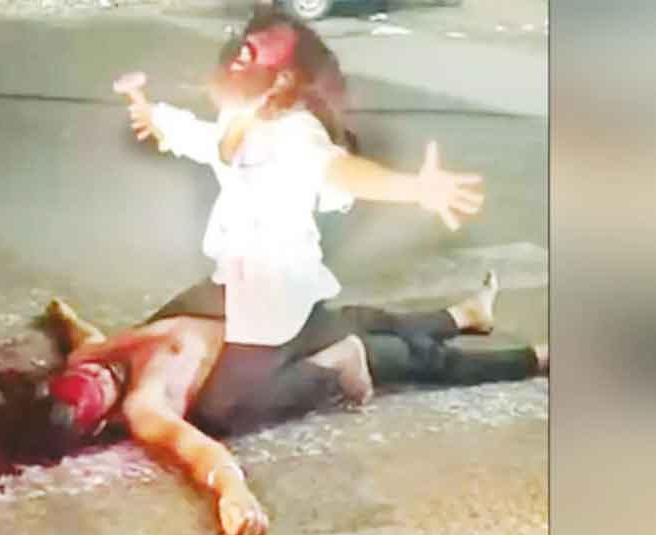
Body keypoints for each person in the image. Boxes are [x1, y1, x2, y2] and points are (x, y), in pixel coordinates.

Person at [44, 272, 547, 535]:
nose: (104, 371)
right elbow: (200, 453)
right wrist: (233, 492)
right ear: (104, 416)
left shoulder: (98, 355)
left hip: (267, 334)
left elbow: (82, 335)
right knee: (406, 359)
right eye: (98, 384)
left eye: (92, 373)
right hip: (278, 366)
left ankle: (463, 315)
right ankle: (535, 358)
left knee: (356, 317)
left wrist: (60, 317)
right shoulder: (146, 407)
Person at [124, 8, 485, 350]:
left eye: (256, 52)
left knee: (236, 389)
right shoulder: (240, 114)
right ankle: (457, 317)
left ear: (284, 78)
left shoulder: (294, 133)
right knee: (150, 338)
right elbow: (214, 145)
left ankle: (467, 337)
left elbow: (337, 169)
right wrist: (157, 119)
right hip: (236, 279)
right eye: (245, 45)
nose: (241, 55)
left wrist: (415, 188)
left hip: (278, 293)